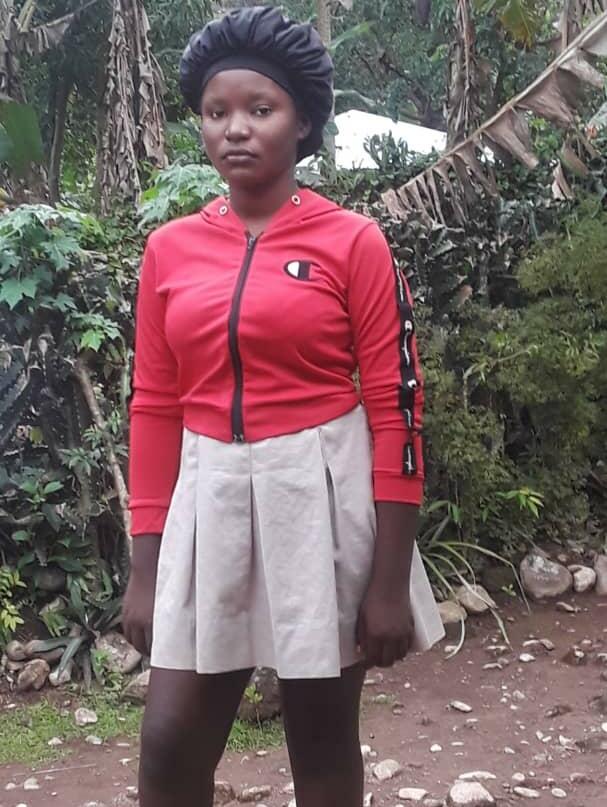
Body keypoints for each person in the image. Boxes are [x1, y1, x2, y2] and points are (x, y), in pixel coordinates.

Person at [122, 6, 444, 807]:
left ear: (301, 122)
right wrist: (144, 569)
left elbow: (396, 407)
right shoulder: (168, 250)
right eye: (215, 112)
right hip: (208, 499)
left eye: (258, 109)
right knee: (168, 743)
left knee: (321, 740)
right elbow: (155, 407)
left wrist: (387, 582)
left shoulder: (353, 242)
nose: (235, 128)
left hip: (318, 497)